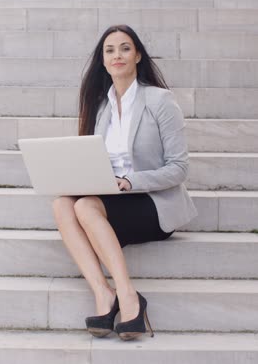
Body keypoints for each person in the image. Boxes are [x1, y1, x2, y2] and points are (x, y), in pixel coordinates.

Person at [52, 24, 198, 341]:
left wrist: (130, 182)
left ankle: (128, 295)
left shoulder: (160, 101)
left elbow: (179, 168)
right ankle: (103, 294)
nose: (117, 55)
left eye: (125, 48)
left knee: (87, 209)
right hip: (113, 195)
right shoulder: (101, 107)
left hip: (154, 202)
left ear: (138, 55)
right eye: (110, 50)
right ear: (103, 61)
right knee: (63, 204)